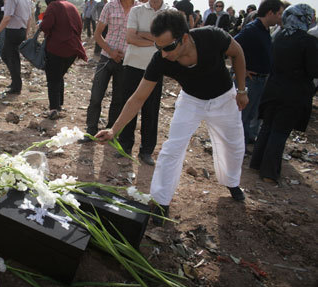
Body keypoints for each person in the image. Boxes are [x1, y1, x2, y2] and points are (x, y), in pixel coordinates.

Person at [95, 10, 248, 225]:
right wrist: (114, 130)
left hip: (224, 99)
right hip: (191, 101)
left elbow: (238, 53)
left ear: (184, 38)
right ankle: (160, 202)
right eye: (159, 47)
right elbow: (137, 98)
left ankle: (232, 182)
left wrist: (241, 90)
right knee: (171, 149)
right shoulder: (160, 59)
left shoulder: (212, 36)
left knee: (233, 145)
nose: (164, 53)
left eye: (168, 47)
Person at [250, 4, 318, 183]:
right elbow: (313, 71)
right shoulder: (308, 41)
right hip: (292, 94)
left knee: (267, 128)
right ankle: (269, 174)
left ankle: (256, 164)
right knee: (279, 132)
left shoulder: (279, 36)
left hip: (273, 89)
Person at [116, 0, 169, 165]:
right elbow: (131, 38)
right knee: (129, 105)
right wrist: (156, 41)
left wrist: (143, 34)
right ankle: (125, 146)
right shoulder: (136, 10)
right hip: (133, 64)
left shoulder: (169, 12)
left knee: (151, 111)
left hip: (156, 67)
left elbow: (168, 41)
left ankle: (146, 151)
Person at [79, 0, 137, 143]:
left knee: (118, 99)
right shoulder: (110, 6)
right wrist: (111, 51)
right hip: (106, 58)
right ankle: (90, 130)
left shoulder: (138, 9)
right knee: (96, 96)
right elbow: (97, 34)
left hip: (126, 61)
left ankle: (110, 132)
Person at [235, 0, 284, 146]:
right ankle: (237, 148)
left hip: (259, 81)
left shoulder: (263, 30)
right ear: (270, 13)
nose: (281, 17)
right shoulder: (252, 29)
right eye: (279, 14)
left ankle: (243, 144)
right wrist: (241, 71)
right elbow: (232, 47)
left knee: (250, 116)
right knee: (242, 117)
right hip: (251, 81)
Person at [39, 0, 87, 119]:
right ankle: (59, 104)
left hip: (57, 48)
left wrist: (40, 24)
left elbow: (46, 25)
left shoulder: (53, 6)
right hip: (73, 49)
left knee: (53, 79)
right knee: (59, 76)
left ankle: (54, 109)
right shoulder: (71, 6)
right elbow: (79, 26)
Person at [0, 0, 32, 95]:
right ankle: (15, 82)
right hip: (21, 30)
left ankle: (17, 86)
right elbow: (29, 18)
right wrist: (26, 33)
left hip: (13, 31)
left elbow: (7, 18)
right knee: (7, 56)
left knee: (12, 58)